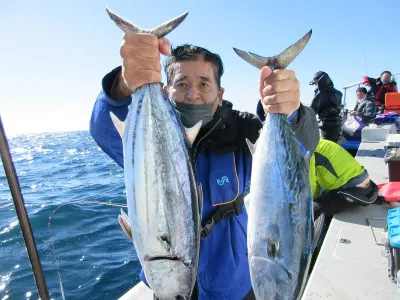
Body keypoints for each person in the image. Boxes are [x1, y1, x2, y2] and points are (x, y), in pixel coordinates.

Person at [89, 33, 320, 300]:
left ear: (219, 94)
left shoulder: (240, 131)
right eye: (182, 83)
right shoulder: (147, 139)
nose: (192, 94)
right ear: (166, 90)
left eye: (203, 84)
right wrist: (124, 83)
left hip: (236, 287)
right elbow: (104, 128)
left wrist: (290, 111)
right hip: (169, 284)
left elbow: (302, 147)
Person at [310, 139, 379, 220]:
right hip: (365, 185)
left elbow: (311, 184)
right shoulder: (318, 142)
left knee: (311, 210)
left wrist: (313, 201)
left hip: (351, 191)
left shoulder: (308, 151)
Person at [309, 71, 343, 143]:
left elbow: (312, 110)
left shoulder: (322, 94)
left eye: (316, 83)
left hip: (325, 126)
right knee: (333, 146)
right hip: (337, 125)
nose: (315, 85)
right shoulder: (338, 93)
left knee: (326, 148)